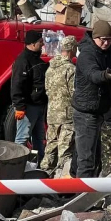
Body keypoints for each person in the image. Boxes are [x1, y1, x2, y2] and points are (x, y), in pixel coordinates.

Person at [71, 20, 111, 177]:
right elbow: (92, 74)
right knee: (87, 161)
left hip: (99, 111)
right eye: (102, 39)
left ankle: (80, 190)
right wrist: (105, 75)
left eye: (109, 39)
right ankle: (82, 196)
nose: (106, 42)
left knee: (94, 160)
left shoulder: (108, 53)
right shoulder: (87, 54)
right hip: (86, 113)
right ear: (94, 37)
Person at [41, 35, 77, 174]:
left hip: (52, 114)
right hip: (67, 116)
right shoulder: (71, 70)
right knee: (65, 150)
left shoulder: (50, 68)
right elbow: (74, 93)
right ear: (72, 49)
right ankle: (62, 180)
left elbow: (47, 90)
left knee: (50, 146)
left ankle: (44, 174)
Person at [11, 30, 48, 163]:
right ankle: (16, 165)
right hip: (28, 107)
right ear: (32, 44)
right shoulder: (23, 61)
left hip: (39, 106)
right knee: (22, 138)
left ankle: (38, 165)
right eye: (40, 42)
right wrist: (19, 106)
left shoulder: (37, 60)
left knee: (39, 138)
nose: (43, 44)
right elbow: (17, 84)